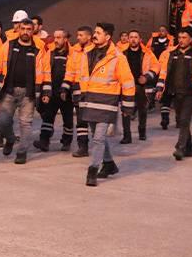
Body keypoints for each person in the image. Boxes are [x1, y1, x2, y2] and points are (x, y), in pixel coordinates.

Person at [68, 22, 135, 187]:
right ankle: (109, 163)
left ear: (107, 36)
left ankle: (92, 171)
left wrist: (127, 106)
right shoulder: (87, 54)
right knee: (97, 137)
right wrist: (80, 95)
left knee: (98, 138)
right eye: (95, 32)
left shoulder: (118, 57)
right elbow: (82, 77)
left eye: (98, 32)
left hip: (107, 102)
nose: (95, 35)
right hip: (90, 100)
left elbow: (127, 82)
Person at [0, 19, 50, 164]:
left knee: (25, 124)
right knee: (3, 121)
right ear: (19, 29)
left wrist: (46, 93)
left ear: (33, 30)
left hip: (29, 93)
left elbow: (46, 71)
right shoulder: (8, 45)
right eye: (23, 28)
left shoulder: (39, 49)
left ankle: (22, 152)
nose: (26, 31)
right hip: (9, 91)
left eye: (29, 29)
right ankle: (9, 139)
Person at [155, 29, 192, 161]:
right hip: (175, 92)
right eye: (179, 37)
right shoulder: (171, 53)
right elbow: (164, 72)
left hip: (191, 93)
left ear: (191, 39)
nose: (181, 40)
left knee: (184, 120)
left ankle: (180, 148)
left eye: (184, 37)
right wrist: (159, 89)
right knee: (181, 120)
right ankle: (189, 148)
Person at [35, 29, 76, 152]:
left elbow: (73, 73)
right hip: (52, 91)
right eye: (55, 37)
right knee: (48, 117)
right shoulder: (50, 52)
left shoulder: (73, 53)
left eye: (59, 37)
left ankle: (66, 142)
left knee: (68, 119)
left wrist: (67, 88)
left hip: (66, 92)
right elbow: (45, 71)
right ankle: (44, 141)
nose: (56, 40)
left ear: (65, 39)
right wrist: (45, 91)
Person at [120, 30, 159, 143]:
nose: (133, 39)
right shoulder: (122, 53)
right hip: (127, 86)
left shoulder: (147, 53)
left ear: (140, 39)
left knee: (143, 110)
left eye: (135, 37)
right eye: (131, 37)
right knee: (126, 111)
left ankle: (142, 132)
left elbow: (156, 66)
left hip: (141, 86)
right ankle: (127, 136)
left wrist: (147, 77)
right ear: (128, 39)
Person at [60, 26, 94, 157]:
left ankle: (99, 146)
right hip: (78, 91)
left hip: (92, 91)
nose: (78, 37)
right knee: (81, 121)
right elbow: (70, 72)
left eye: (81, 35)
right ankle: (83, 146)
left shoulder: (95, 51)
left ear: (89, 36)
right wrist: (65, 87)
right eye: (78, 35)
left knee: (94, 121)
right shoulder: (74, 51)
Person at [147, 25, 175, 127]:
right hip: (156, 66)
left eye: (163, 30)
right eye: (160, 30)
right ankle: (153, 104)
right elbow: (148, 51)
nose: (161, 32)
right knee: (156, 87)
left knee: (166, 91)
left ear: (167, 32)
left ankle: (177, 117)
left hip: (166, 66)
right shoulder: (153, 39)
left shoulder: (171, 41)